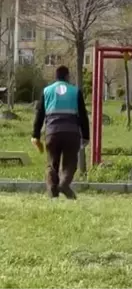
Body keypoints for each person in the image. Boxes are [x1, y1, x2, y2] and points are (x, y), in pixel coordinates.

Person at [32, 65, 90, 199]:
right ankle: (64, 184)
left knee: (52, 163)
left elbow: (40, 114)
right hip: (72, 133)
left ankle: (53, 189)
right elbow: (83, 115)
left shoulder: (47, 91)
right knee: (70, 162)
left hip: (52, 132)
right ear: (67, 76)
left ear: (56, 77)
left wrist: (35, 134)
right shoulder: (75, 91)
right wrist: (85, 136)